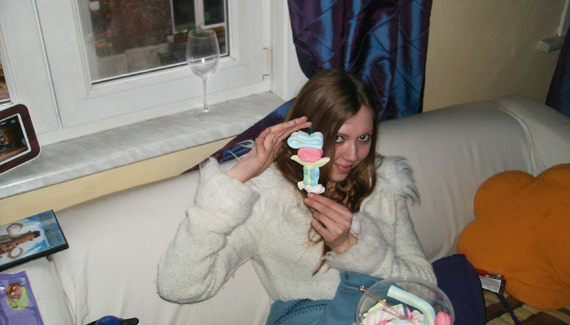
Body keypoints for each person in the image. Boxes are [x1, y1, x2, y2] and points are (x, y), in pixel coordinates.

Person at [157, 69, 435, 308]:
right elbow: (178, 287)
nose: (353, 155)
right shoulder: (268, 200)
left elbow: (426, 288)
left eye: (363, 138)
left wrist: (354, 249)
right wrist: (236, 178)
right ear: (308, 134)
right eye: (339, 138)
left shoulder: (381, 185)